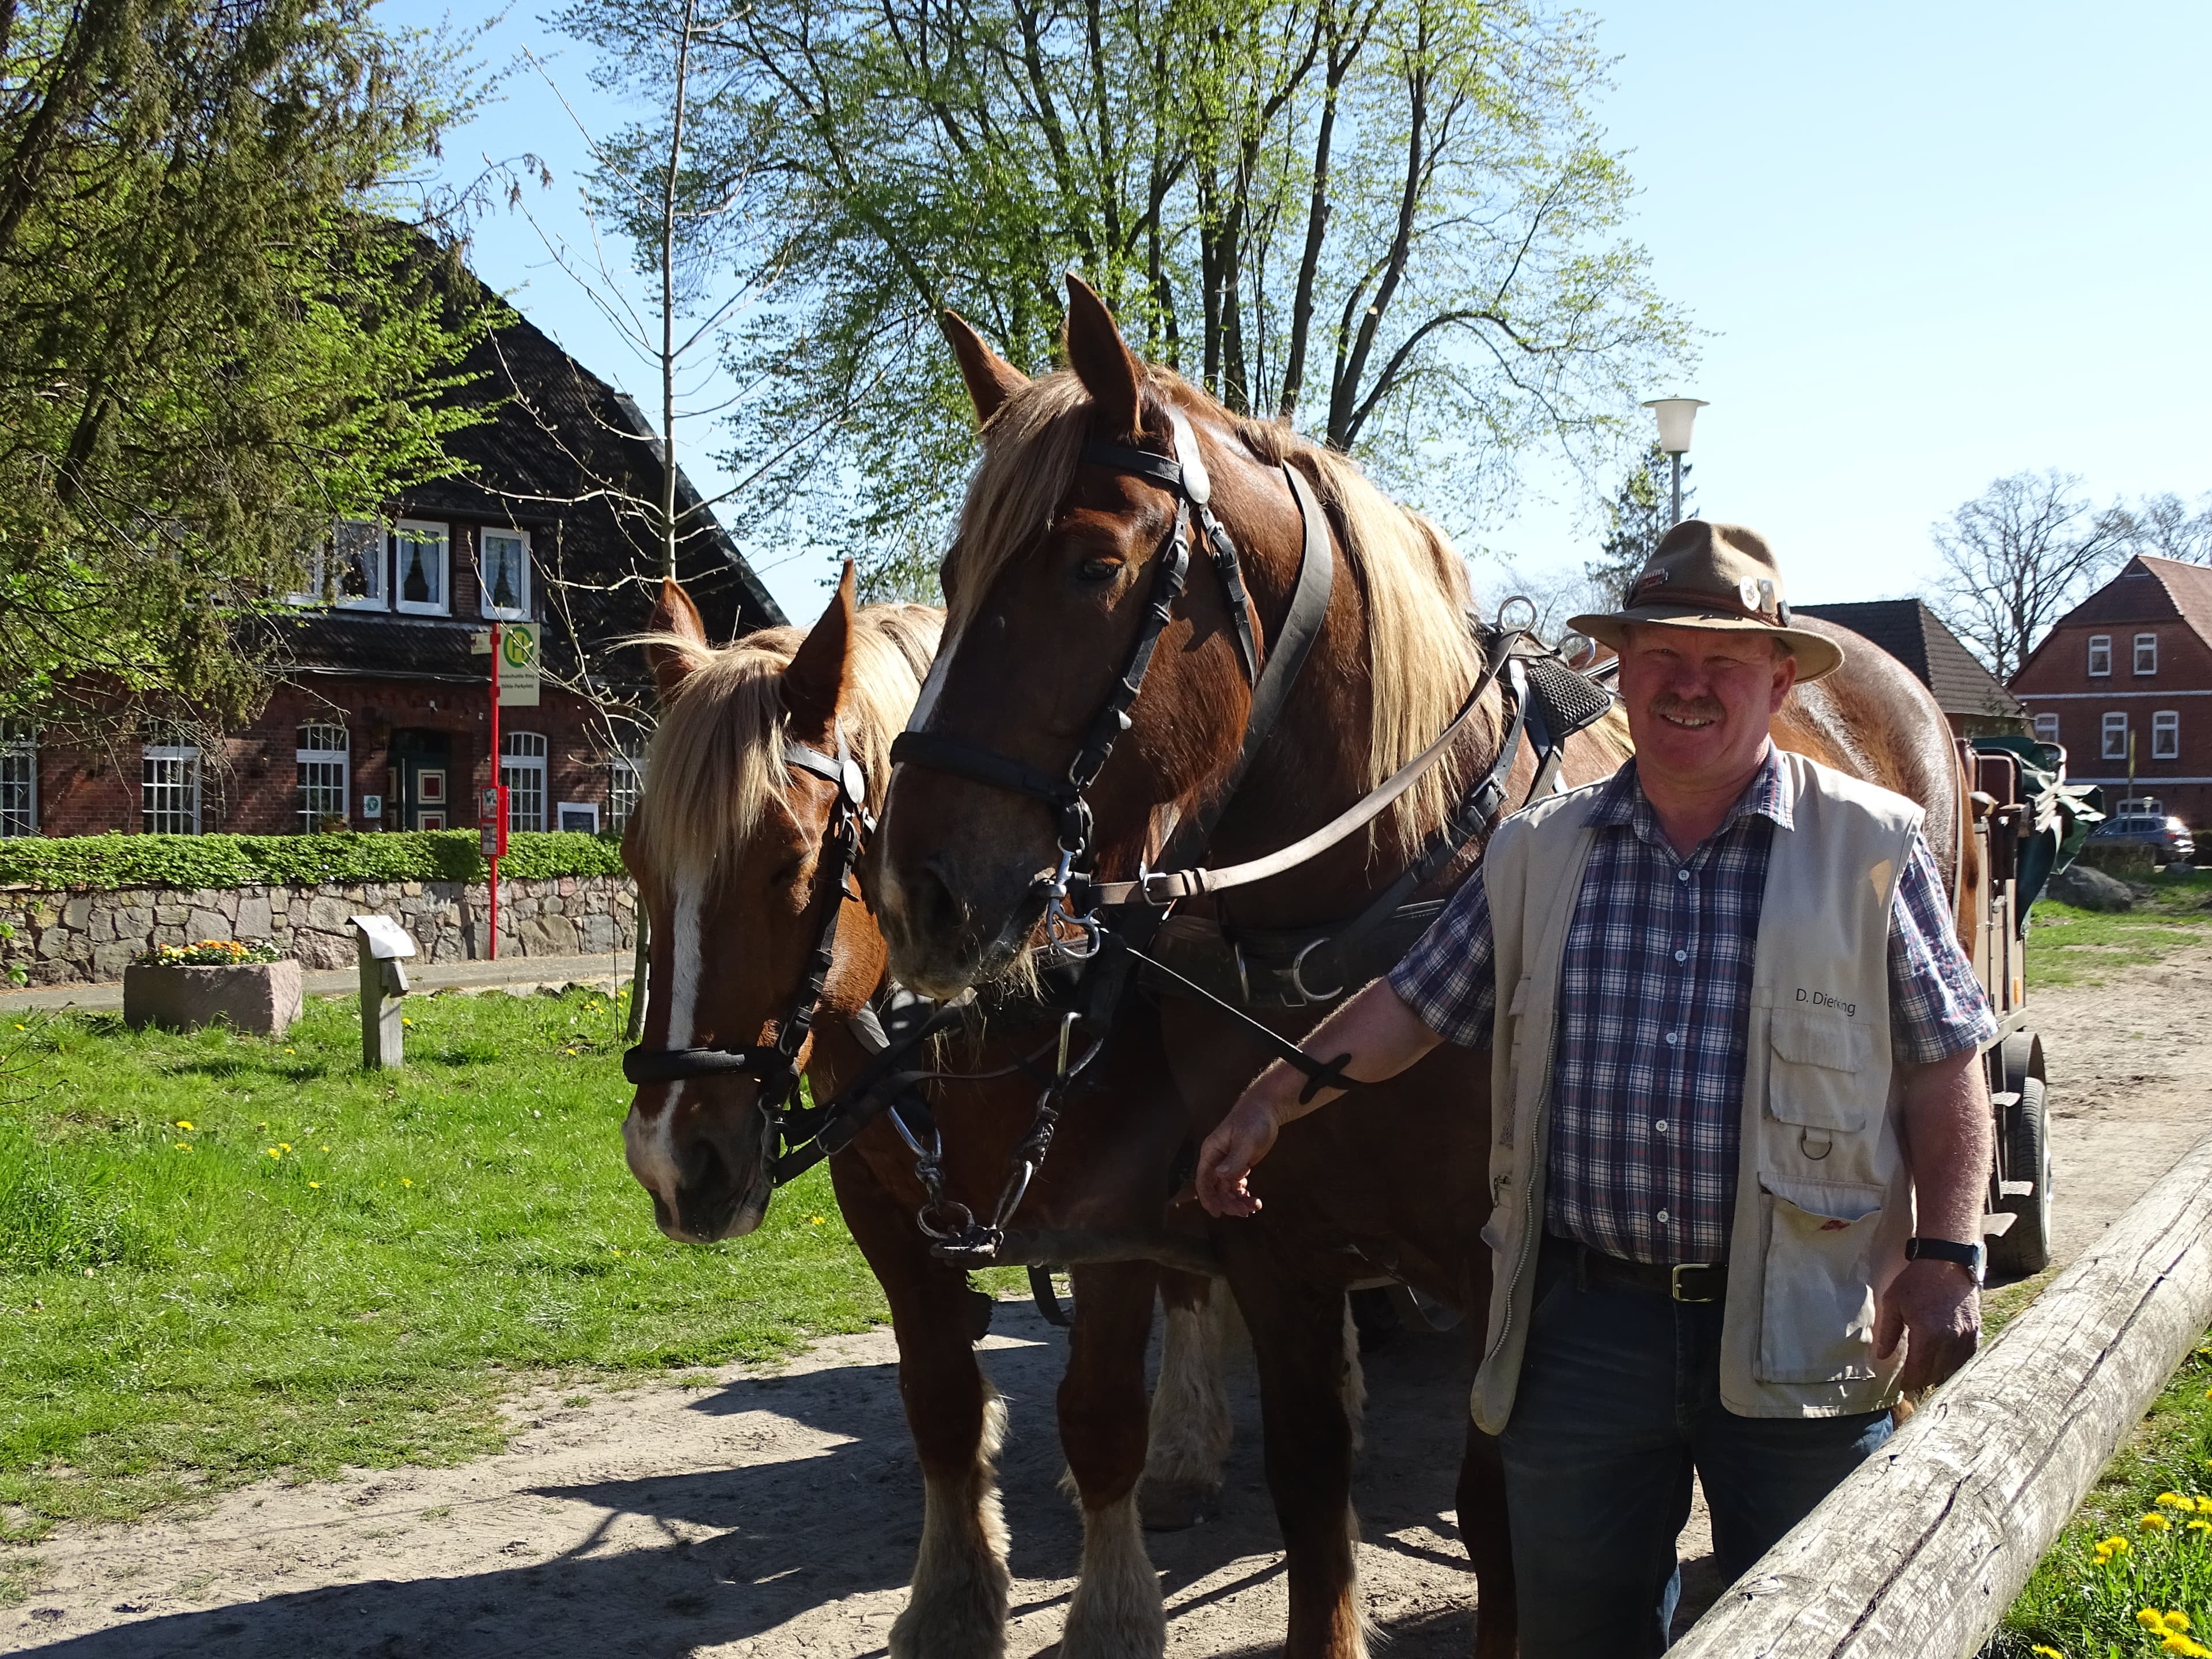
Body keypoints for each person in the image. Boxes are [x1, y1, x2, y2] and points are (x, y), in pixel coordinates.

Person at [1194, 520, 1997, 1656]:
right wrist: (1272, 1097)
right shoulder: (1538, 852)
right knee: (1578, 1638)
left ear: (1777, 681)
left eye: (1724, 661)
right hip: (1585, 1332)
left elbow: (1946, 1061)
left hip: (1802, 1318)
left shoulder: (1865, 847)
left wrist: (1948, 1254)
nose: (1689, 685)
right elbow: (1413, 1004)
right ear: (1622, 671)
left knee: (1823, 1627)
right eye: (1663, 655)